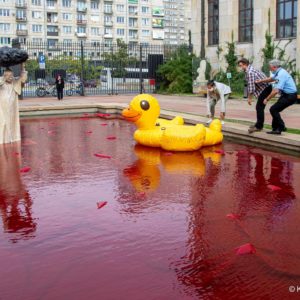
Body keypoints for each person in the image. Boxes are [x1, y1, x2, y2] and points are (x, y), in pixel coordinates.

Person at [255, 59, 297, 134]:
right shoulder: (279, 72)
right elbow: (271, 79)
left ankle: (281, 127)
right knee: (274, 109)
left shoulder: (281, 74)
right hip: (286, 95)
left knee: (273, 109)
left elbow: (276, 90)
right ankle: (276, 129)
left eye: (270, 67)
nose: (269, 68)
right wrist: (260, 81)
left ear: (274, 66)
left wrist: (267, 99)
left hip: (290, 96)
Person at [238, 58, 272, 133]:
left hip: (265, 88)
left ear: (245, 64)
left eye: (241, 66)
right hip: (265, 88)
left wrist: (249, 98)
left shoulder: (250, 72)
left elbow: (251, 87)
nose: (241, 68)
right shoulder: (251, 69)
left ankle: (259, 127)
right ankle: (258, 124)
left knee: (259, 107)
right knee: (259, 107)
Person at [0, 63, 27, 144]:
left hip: (12, 108)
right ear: (4, 75)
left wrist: (23, 67)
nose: (10, 77)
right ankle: (2, 139)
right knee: (3, 123)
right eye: (8, 75)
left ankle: (12, 138)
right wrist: (3, 80)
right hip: (2, 108)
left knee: (12, 123)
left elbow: (23, 79)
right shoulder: (1, 82)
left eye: (11, 75)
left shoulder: (15, 82)